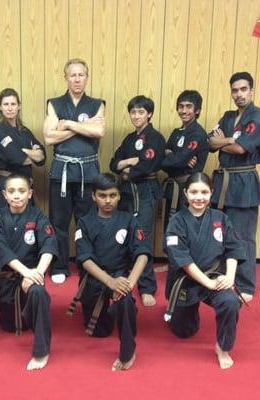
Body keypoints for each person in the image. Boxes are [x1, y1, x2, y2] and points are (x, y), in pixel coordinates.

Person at [163, 172, 246, 369]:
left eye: (204, 192)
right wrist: (206, 283)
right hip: (188, 279)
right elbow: (181, 257)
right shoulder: (177, 220)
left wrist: (230, 277)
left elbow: (234, 248)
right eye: (194, 192)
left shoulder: (221, 218)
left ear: (211, 193)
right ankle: (187, 312)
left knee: (230, 301)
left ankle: (223, 347)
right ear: (185, 193)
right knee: (184, 332)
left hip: (215, 275)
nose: (199, 197)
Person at [72, 173, 150, 371]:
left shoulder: (128, 220)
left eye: (113, 195)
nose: (107, 200)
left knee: (124, 300)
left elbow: (142, 253)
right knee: (100, 332)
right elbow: (85, 259)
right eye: (102, 195)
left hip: (119, 275)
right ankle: (118, 311)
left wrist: (129, 283)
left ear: (119, 196)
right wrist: (109, 282)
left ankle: (128, 352)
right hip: (95, 279)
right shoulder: (84, 222)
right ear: (93, 196)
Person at [208, 72, 260, 302]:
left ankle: (245, 284)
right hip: (223, 181)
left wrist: (224, 141)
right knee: (219, 232)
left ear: (252, 91)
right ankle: (222, 274)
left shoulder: (258, 118)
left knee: (243, 236)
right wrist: (228, 141)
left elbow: (241, 149)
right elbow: (210, 142)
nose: (239, 94)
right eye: (235, 90)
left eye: (243, 89)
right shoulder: (227, 116)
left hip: (244, 181)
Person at [43, 58, 106, 284]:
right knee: (58, 221)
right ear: (66, 77)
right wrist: (83, 127)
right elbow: (49, 137)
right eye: (73, 75)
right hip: (62, 171)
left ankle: (85, 262)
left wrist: (67, 124)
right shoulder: (55, 103)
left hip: (88, 171)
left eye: (81, 75)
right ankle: (59, 265)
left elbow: (98, 131)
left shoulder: (97, 103)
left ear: (87, 77)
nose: (77, 79)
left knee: (87, 221)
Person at [0, 174, 57, 370]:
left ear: (30, 193)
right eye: (11, 191)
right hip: (9, 279)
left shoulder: (38, 216)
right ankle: (29, 313)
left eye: (21, 191)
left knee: (39, 291)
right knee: (9, 326)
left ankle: (41, 351)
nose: (16, 196)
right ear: (4, 195)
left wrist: (38, 273)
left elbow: (49, 245)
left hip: (32, 275)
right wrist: (26, 272)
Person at [109, 96, 165, 306]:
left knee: (143, 237)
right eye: (133, 112)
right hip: (126, 192)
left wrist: (130, 168)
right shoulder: (129, 139)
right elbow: (113, 163)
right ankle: (119, 280)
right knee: (122, 234)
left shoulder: (156, 138)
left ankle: (147, 287)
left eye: (141, 112)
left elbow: (146, 167)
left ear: (149, 114)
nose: (136, 116)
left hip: (145, 192)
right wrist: (129, 161)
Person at [0, 88, 45, 210]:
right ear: (0, 107)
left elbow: (42, 157)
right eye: (6, 104)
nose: (10, 108)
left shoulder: (25, 131)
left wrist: (25, 152)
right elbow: (18, 158)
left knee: (26, 224)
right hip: (6, 184)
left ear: (19, 106)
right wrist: (32, 153)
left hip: (24, 184)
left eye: (13, 104)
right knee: (7, 223)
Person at [162, 90, 209, 230]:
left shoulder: (198, 134)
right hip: (173, 187)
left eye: (189, 106)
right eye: (181, 106)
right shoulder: (176, 132)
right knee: (170, 229)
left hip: (189, 190)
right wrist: (175, 158)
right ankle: (171, 253)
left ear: (197, 110)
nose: (184, 110)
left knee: (186, 229)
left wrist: (173, 156)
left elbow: (178, 160)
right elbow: (166, 161)